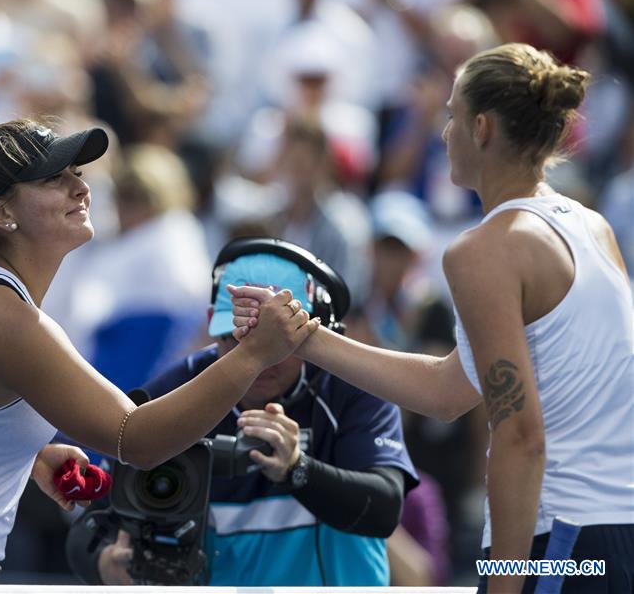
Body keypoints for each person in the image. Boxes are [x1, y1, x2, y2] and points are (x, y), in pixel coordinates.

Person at [0, 114, 318, 584]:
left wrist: (23, 452)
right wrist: (252, 355)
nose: (81, 187)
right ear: (3, 212)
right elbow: (138, 440)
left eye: (77, 172)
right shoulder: (2, 316)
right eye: (54, 178)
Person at [230, 43, 634, 593]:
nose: (445, 132)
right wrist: (305, 337)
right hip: (613, 540)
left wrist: (506, 581)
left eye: (451, 116)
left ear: (483, 127)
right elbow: (449, 391)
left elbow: (519, 433)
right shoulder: (592, 227)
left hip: (556, 548)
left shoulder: (484, 251)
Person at [66, 237, 418, 587]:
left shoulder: (354, 386)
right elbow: (89, 527)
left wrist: (298, 469)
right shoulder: (175, 388)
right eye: (237, 338)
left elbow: (385, 510)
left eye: (278, 342)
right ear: (210, 323)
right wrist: (105, 563)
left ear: (317, 333)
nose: (258, 359)